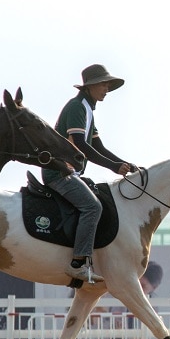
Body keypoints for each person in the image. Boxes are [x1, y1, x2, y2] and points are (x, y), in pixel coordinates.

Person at [44, 64, 139, 284]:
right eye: (103, 84)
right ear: (90, 87)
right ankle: (77, 263)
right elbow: (81, 145)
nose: (106, 88)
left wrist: (121, 162)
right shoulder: (77, 107)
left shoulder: (87, 109)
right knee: (92, 206)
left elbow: (99, 147)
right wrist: (113, 167)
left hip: (71, 173)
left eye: (107, 84)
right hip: (59, 173)